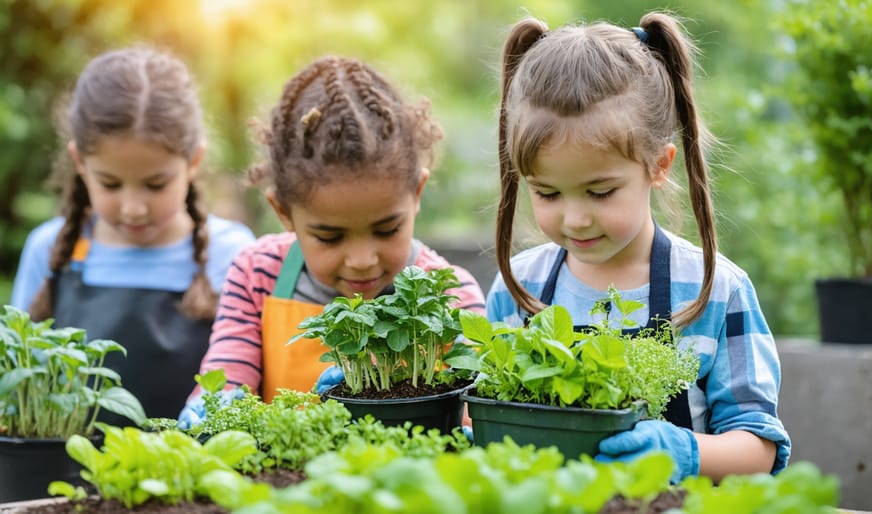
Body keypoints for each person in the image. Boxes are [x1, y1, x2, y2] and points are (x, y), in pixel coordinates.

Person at [487, 14, 790, 483]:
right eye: (547, 193)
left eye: (600, 191)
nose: (575, 218)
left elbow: (759, 450)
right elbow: (480, 421)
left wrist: (684, 450)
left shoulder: (715, 292)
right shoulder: (518, 289)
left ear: (658, 165)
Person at [179, 56, 486, 423]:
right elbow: (227, 380)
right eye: (330, 236)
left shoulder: (451, 295)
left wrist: (472, 423)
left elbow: (475, 405)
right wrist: (214, 408)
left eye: (386, 229)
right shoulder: (256, 275)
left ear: (417, 193)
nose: (361, 259)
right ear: (283, 212)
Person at [10, 47, 256, 421]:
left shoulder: (232, 253)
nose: (134, 207)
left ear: (193, 162)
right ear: (80, 163)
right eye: (110, 184)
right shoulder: (50, 249)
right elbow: (18, 376)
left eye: (156, 184)